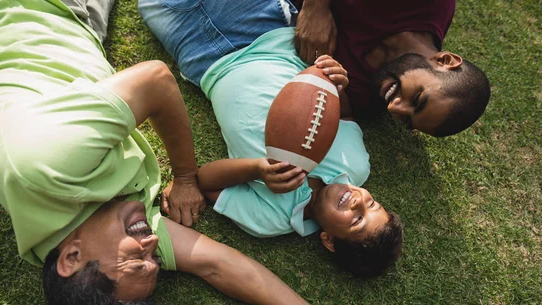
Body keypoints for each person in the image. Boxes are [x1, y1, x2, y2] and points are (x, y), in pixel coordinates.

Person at [0, 0, 366, 305]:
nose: (151, 246)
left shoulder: (42, 165)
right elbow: (215, 263)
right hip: (78, 34)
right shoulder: (87, 238)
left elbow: (156, 79)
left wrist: (184, 177)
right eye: (154, 261)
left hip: (34, 12)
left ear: (71, 258)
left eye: (137, 259)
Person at [138, 0, 404, 278]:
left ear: (329, 240)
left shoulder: (271, 220)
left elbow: (203, 181)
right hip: (264, 29)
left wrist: (258, 169)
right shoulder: (355, 165)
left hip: (204, 58)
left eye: (357, 220)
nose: (358, 201)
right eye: (372, 204)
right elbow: (345, 115)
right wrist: (336, 82)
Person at [292, 0, 491, 136]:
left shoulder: (363, 97)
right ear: (444, 61)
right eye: (417, 99)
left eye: (406, 119)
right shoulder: (429, 5)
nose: (393, 107)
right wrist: (315, 8)